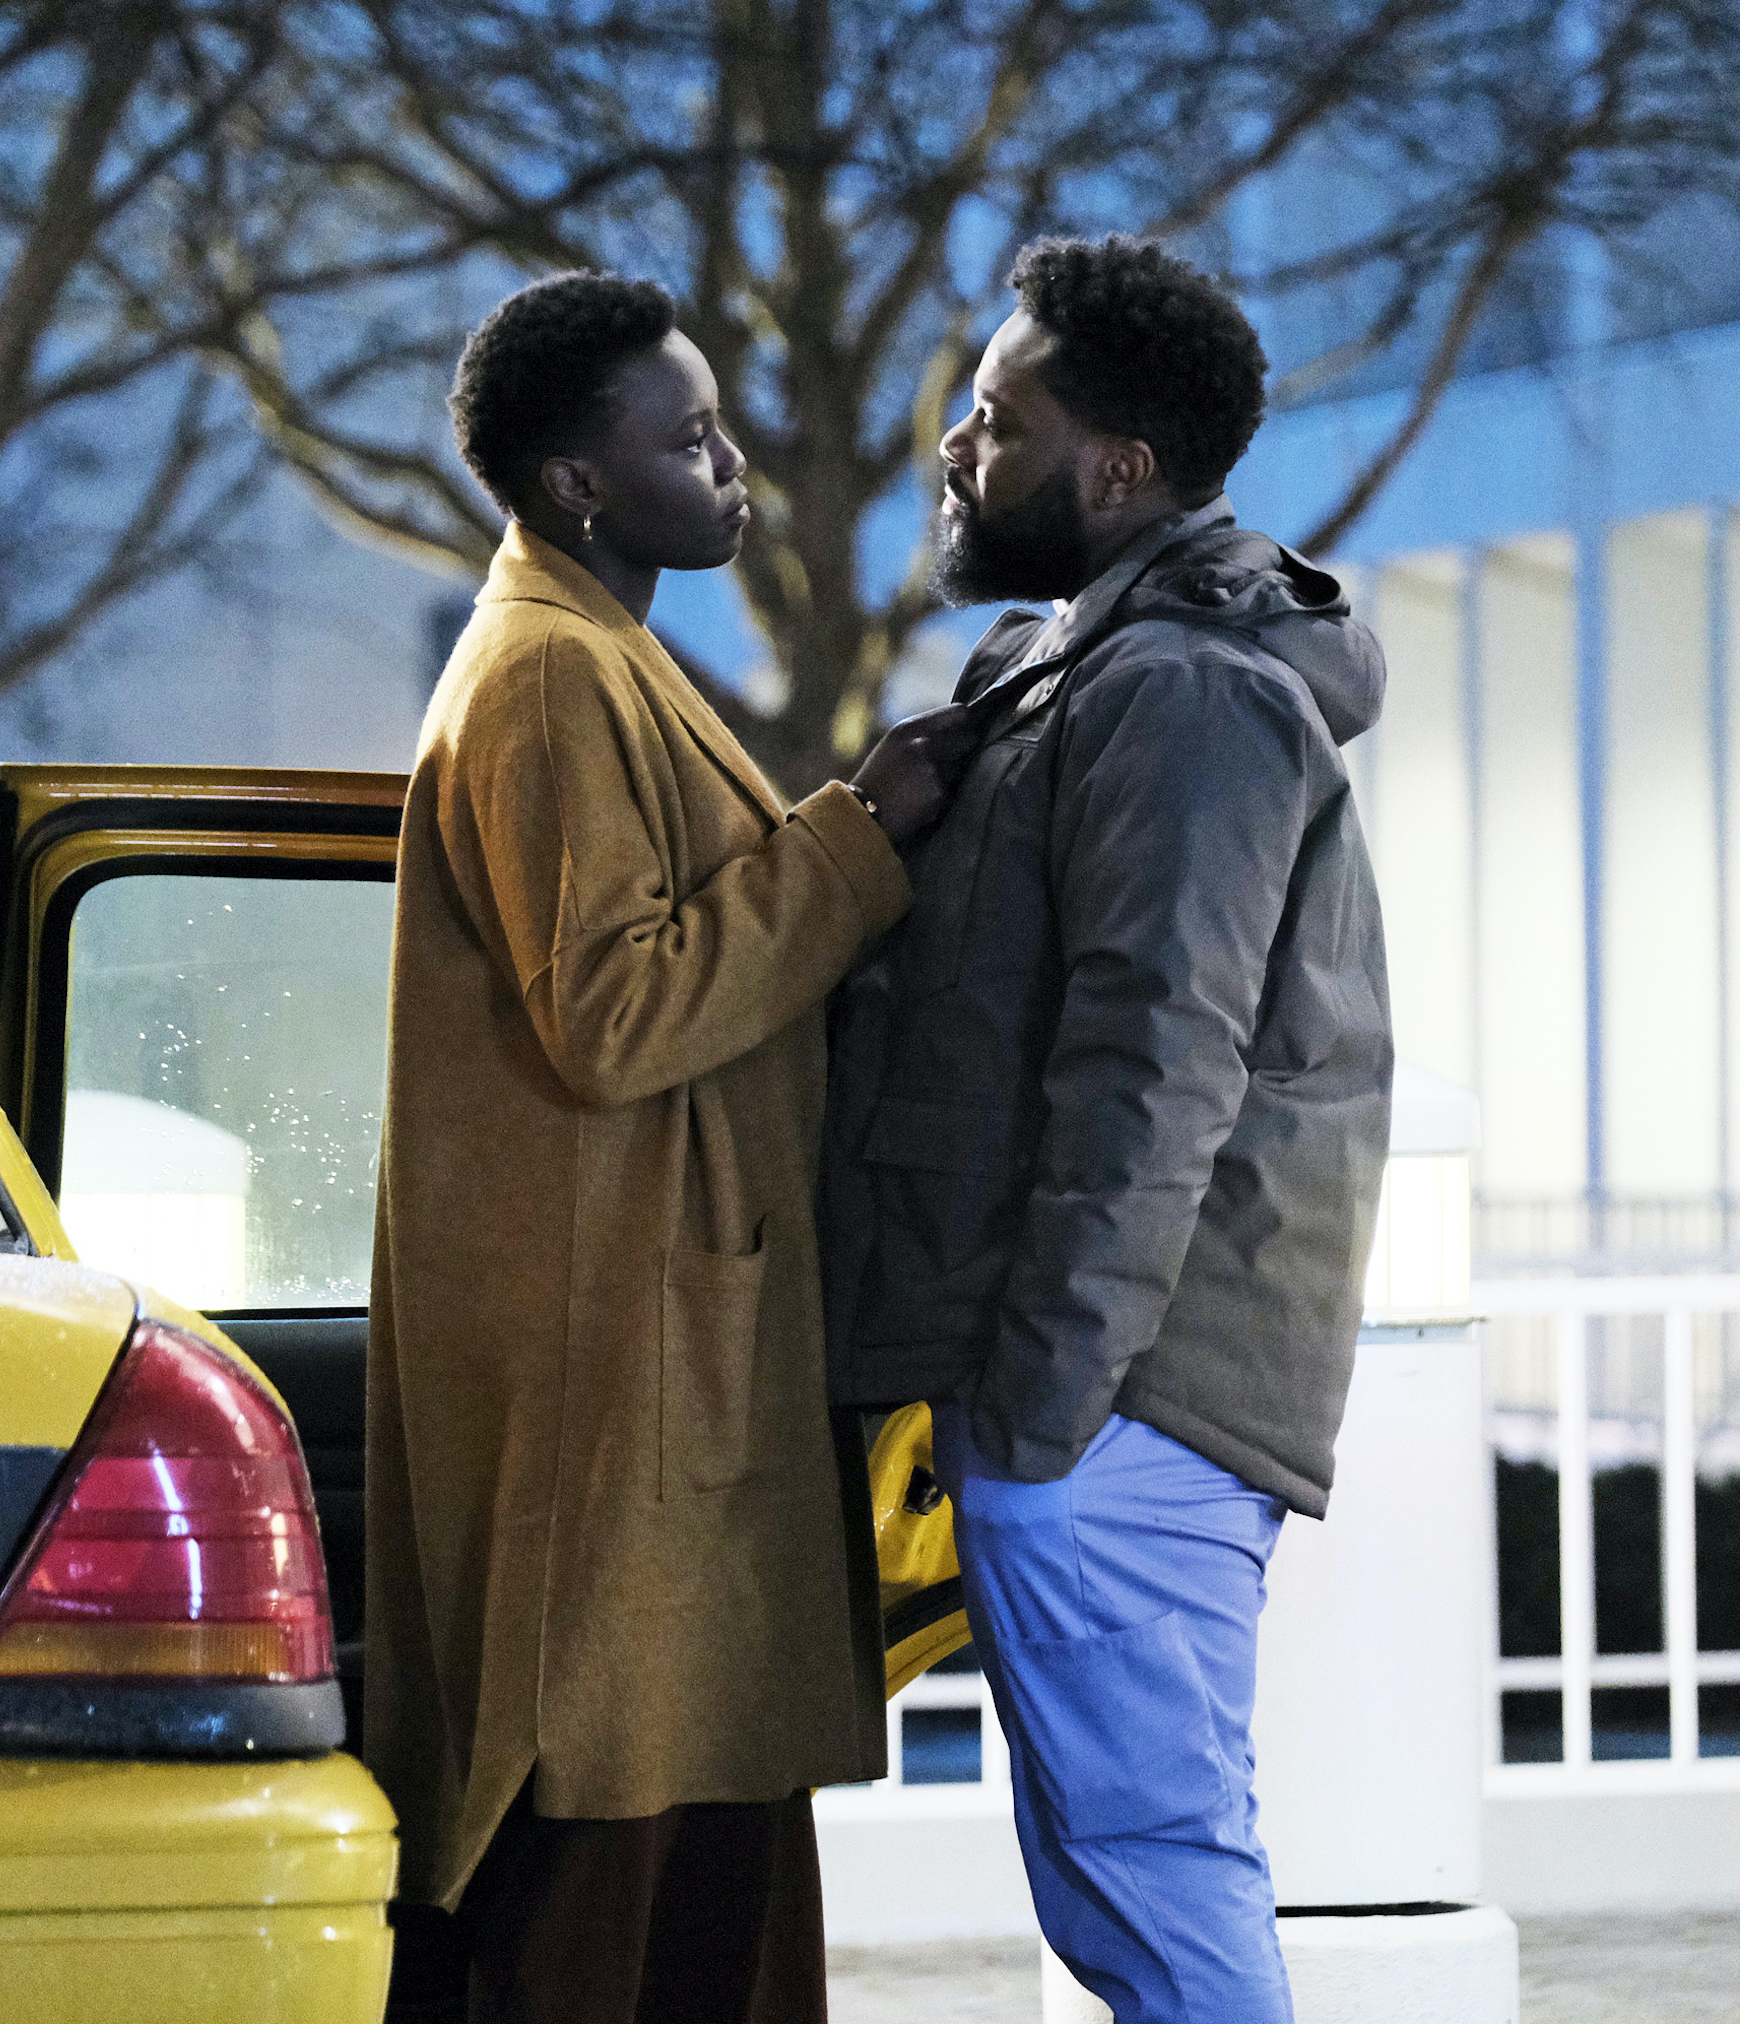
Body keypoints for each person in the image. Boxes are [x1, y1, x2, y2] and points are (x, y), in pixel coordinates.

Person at [367, 271, 978, 2024]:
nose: (733, 470)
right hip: (623, 1359)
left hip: (669, 1339)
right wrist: (857, 843)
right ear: (575, 481)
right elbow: (615, 1009)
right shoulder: (550, 674)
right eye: (690, 438)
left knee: (699, 1829)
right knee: (607, 1834)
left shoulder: (606, 651)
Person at [820, 235, 1394, 2024]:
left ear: (1119, 466)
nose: (956, 451)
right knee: (1123, 1884)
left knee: (1151, 1882)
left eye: (997, 418)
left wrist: (1049, 1410)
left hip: (1121, 1403)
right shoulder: (1076, 669)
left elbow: (1159, 1062)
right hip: (1076, 1394)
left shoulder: (1184, 696)